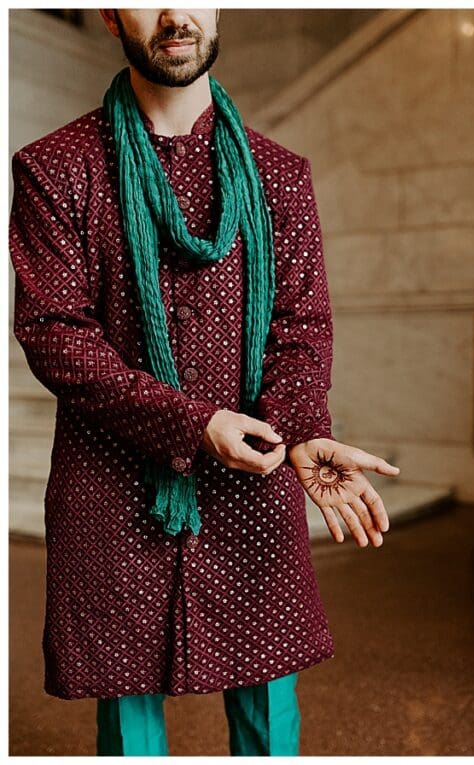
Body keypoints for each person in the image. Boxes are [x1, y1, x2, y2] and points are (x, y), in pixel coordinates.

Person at [9, 9, 399, 756]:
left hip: (257, 478)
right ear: (107, 13)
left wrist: (302, 430)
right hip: (112, 484)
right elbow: (56, 334)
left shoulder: (280, 174)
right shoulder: (55, 168)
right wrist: (193, 425)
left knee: (269, 711)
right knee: (127, 720)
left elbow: (301, 328)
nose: (174, 13)